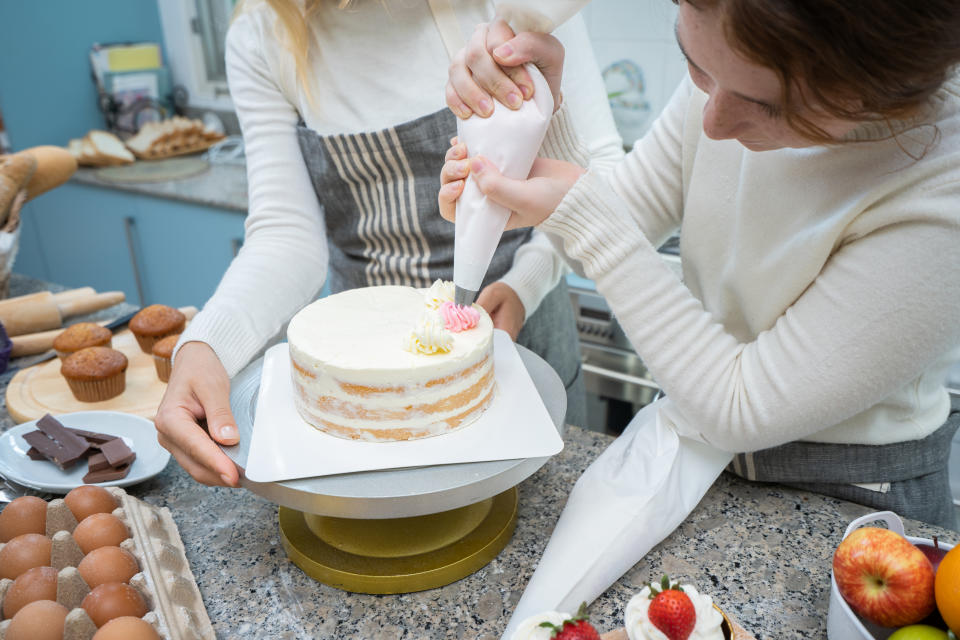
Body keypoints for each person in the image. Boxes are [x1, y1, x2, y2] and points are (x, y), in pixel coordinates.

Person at [440, 0, 960, 528]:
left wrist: (589, 218)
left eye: (771, 106)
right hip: (695, 453)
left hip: (851, 496)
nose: (712, 124)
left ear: (881, 87)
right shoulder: (736, 64)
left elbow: (740, 409)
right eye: (696, 66)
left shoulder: (943, 185)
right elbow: (615, 221)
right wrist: (538, 120)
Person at [154, 0, 624, 487]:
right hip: (361, 380)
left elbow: (601, 173)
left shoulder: (519, 7)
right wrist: (207, 346)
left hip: (518, 326)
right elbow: (286, 237)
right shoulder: (264, 31)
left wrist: (526, 283)